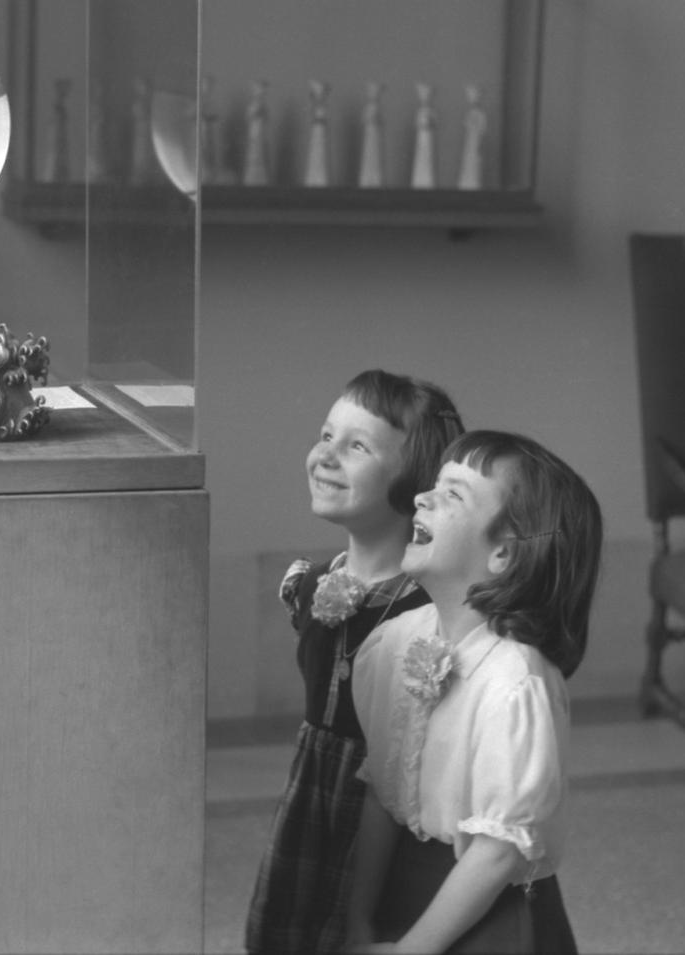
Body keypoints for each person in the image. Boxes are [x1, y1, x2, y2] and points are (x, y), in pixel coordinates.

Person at [346, 430, 603, 954]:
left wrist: (411, 950)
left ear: (503, 554)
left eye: (453, 495)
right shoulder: (392, 643)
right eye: (434, 485)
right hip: (406, 888)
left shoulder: (515, 683)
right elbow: (379, 797)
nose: (422, 498)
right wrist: (356, 919)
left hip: (490, 913)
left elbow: (496, 854)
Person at [246, 369, 465, 955]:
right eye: (325, 435)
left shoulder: (430, 609)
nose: (325, 455)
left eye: (357, 446)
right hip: (316, 791)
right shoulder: (310, 584)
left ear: (414, 479)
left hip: (394, 811)